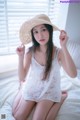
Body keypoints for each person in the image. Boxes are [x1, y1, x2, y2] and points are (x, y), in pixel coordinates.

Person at [12, 14, 77, 120]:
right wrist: (20, 57)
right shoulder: (30, 52)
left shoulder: (58, 52)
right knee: (17, 116)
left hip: (49, 90)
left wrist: (64, 46)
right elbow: (22, 78)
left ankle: (59, 100)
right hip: (33, 87)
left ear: (50, 31)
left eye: (43, 30)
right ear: (33, 35)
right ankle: (22, 89)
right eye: (36, 32)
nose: (40, 35)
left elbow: (73, 74)